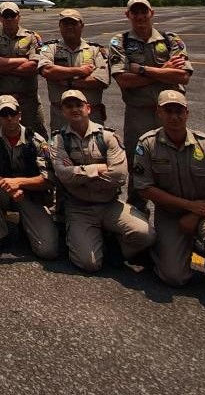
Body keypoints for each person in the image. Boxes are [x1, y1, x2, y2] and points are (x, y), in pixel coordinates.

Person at [132, 90, 205, 295]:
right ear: (159, 113)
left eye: (179, 111)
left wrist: (194, 214)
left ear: (187, 113)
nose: (174, 116)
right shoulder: (148, 144)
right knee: (174, 278)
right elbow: (143, 187)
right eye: (168, 111)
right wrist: (187, 206)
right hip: (170, 214)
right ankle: (176, 246)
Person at [49, 90, 152, 272]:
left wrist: (78, 175)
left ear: (88, 108)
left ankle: (116, 249)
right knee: (89, 264)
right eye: (69, 106)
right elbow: (63, 175)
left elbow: (119, 176)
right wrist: (99, 168)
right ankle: (88, 237)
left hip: (108, 204)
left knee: (146, 234)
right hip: (79, 208)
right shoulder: (58, 140)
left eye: (79, 105)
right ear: (62, 111)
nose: (74, 109)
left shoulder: (107, 137)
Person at [109, 0, 192, 210]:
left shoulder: (171, 39)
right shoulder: (120, 42)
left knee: (176, 159)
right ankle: (137, 209)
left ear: (151, 13)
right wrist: (165, 71)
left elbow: (182, 76)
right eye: (134, 12)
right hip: (139, 112)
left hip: (171, 111)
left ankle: (177, 210)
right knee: (138, 160)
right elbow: (123, 80)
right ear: (127, 15)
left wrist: (145, 70)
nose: (139, 16)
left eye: (143, 11)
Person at [0, 95, 57, 259]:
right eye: (4, 114)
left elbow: (49, 179)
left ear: (20, 115)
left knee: (48, 251)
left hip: (29, 195)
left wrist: (18, 182)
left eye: (13, 113)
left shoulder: (36, 141)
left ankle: (26, 226)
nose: (9, 118)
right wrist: (4, 183)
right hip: (3, 192)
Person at [0, 2, 47, 140]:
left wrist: (4, 65)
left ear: (19, 16)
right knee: (0, 140)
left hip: (28, 101)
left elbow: (33, 67)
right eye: (6, 15)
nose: (9, 18)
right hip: (2, 100)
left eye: (13, 15)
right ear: (0, 18)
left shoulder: (33, 37)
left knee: (36, 139)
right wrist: (22, 60)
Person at [38, 8, 109, 132]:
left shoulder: (95, 50)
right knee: (61, 149)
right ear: (60, 26)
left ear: (82, 25)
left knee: (94, 150)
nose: (69, 27)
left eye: (73, 23)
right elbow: (47, 71)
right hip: (60, 115)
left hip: (91, 114)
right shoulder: (50, 48)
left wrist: (70, 82)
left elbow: (101, 80)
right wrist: (80, 71)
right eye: (65, 24)